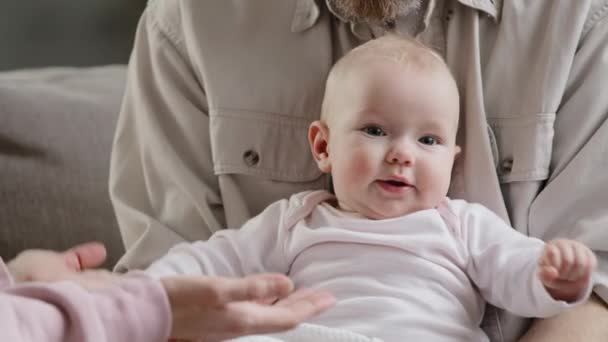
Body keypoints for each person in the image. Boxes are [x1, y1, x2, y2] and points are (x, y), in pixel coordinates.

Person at [103, 0, 608, 340]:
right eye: (373, 132)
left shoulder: (462, 223)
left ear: (453, 159)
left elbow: (520, 270)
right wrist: (123, 295)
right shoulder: (295, 221)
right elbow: (197, 267)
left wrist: (554, 276)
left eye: (428, 141)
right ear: (322, 146)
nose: (401, 155)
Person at [2, 242, 335, 342]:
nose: (391, 154)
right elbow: (215, 254)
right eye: (374, 131)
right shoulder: (295, 218)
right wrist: (149, 300)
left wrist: (15, 280)